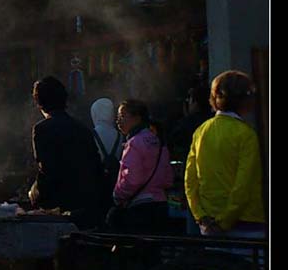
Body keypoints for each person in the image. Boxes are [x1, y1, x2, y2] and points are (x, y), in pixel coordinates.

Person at [185, 70, 265, 239]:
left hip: (208, 222)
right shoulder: (246, 134)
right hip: (245, 222)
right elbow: (244, 183)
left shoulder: (201, 131)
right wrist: (225, 221)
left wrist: (200, 216)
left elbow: (190, 180)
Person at [28, 77, 104, 230]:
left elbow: (47, 170)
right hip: (86, 201)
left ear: (39, 102)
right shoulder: (82, 128)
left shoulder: (42, 129)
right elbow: (95, 165)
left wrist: (35, 194)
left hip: (59, 205)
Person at [107, 100, 174, 234]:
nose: (118, 120)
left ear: (137, 118)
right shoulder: (158, 141)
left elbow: (132, 180)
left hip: (140, 209)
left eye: (122, 116)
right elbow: (167, 178)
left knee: (137, 252)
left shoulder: (134, 143)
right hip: (160, 205)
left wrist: (117, 194)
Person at [168, 82, 213, 160]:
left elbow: (175, 140)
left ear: (196, 103)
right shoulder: (215, 121)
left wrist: (187, 118)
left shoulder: (188, 124)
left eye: (190, 100)